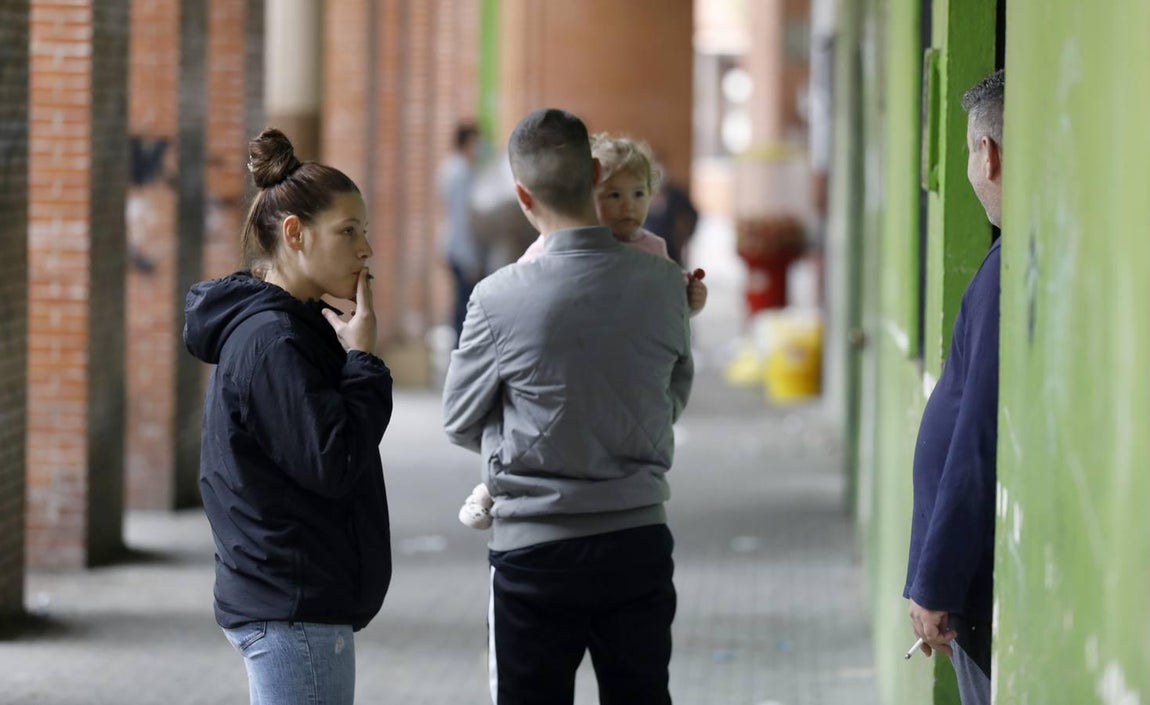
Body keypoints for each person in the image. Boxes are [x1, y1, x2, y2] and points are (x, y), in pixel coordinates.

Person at [442, 108, 693, 705]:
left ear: (523, 194)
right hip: (638, 540)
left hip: (533, 552)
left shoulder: (497, 297)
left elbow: (457, 419)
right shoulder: (665, 284)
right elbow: (673, 394)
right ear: (594, 175)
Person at [184, 128, 394, 705]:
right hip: (293, 608)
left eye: (365, 231)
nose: (365, 250)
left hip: (291, 600)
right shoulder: (275, 341)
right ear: (295, 235)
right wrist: (364, 361)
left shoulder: (292, 328)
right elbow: (336, 461)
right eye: (348, 231)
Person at [904, 69, 1004, 705]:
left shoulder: (1008, 267)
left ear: (986, 154)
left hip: (975, 582)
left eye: (970, 149)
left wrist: (934, 581)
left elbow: (977, 437)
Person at [518, 132, 707, 316]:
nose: (629, 205)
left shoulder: (654, 248)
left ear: (651, 195)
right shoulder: (568, 241)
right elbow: (522, 276)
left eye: (639, 194)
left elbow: (675, 301)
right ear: (587, 197)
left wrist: (694, 299)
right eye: (614, 195)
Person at [439, 121, 485, 345]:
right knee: (463, 307)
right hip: (460, 249)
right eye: (477, 142)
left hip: (457, 245)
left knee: (462, 305)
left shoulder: (458, 168)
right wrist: (470, 260)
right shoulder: (459, 172)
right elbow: (461, 218)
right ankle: (460, 353)